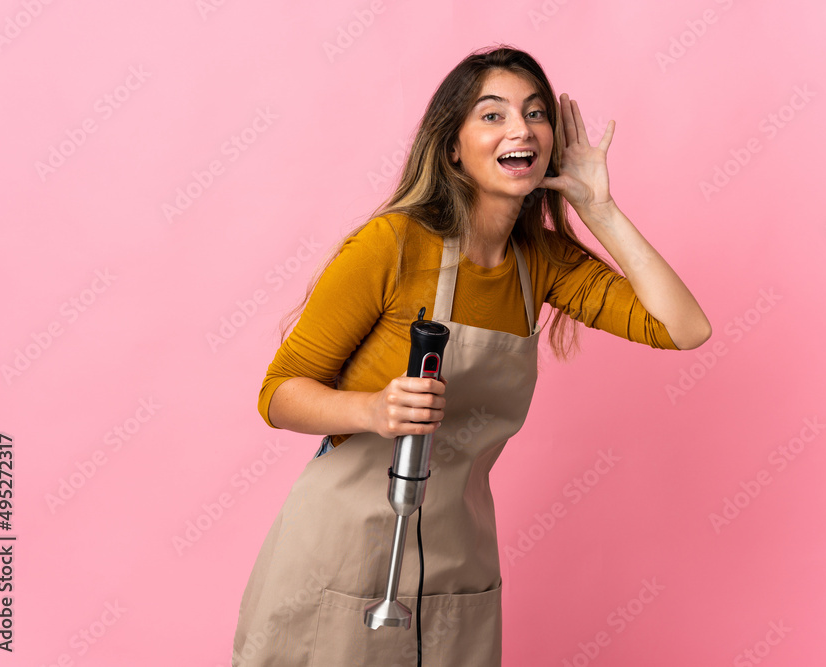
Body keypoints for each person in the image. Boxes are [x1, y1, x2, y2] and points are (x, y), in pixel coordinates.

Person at [232, 44, 710, 666]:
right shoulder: (392, 245)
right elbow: (279, 393)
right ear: (452, 145)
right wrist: (375, 410)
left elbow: (684, 328)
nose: (521, 128)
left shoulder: (540, 261)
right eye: (493, 115)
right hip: (343, 550)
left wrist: (600, 209)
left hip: (460, 559)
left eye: (536, 113)